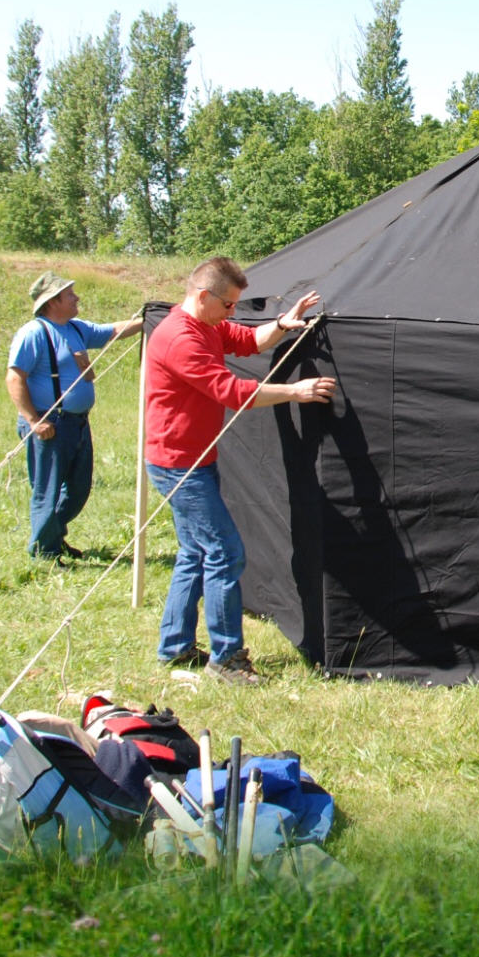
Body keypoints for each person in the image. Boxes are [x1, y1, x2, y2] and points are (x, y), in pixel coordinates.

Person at [139, 256, 335, 680]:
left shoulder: (207, 325)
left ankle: (174, 647)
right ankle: (226, 660)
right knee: (225, 553)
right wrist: (295, 391)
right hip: (179, 465)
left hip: (193, 460)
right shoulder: (179, 338)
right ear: (203, 295)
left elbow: (248, 341)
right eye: (228, 304)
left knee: (195, 553)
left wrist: (284, 324)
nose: (233, 313)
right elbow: (232, 392)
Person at [5, 275, 146, 563]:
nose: (77, 298)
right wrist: (34, 421)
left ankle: (51, 537)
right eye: (70, 295)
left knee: (79, 488)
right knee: (48, 488)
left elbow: (115, 331)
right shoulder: (34, 333)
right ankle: (45, 553)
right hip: (51, 425)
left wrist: (151, 319)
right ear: (53, 301)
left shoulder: (76, 329)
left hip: (78, 422)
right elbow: (15, 377)